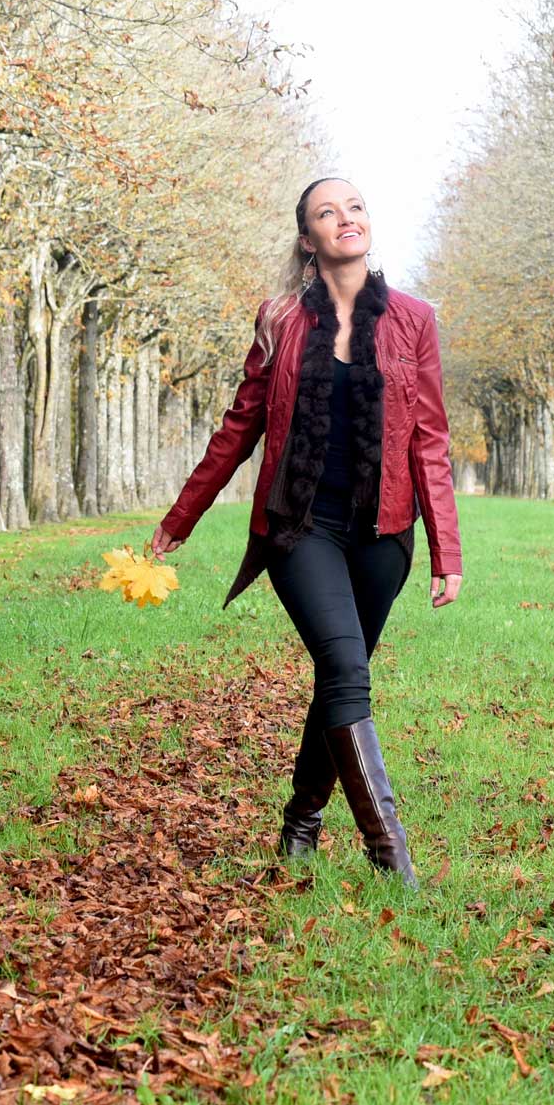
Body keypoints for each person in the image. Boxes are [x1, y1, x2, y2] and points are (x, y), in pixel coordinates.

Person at [151, 177, 464, 885]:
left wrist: (447, 549)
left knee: (338, 679)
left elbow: (431, 440)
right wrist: (182, 518)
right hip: (300, 527)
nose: (346, 218)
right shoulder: (280, 319)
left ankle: (301, 823)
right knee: (348, 670)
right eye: (328, 212)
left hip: (384, 535)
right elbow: (242, 425)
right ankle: (391, 852)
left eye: (355, 207)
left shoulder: (414, 319)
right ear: (308, 239)